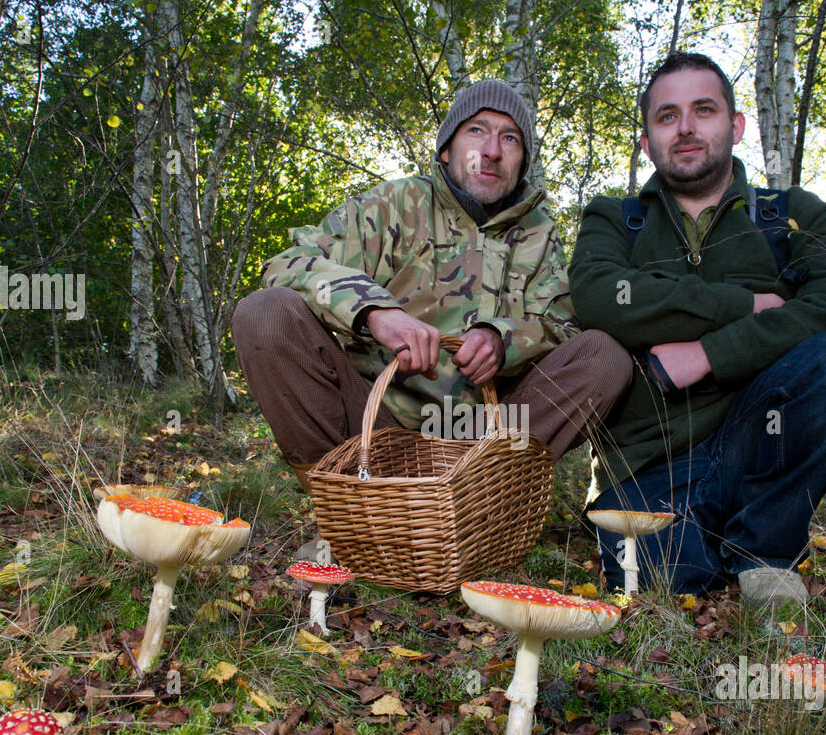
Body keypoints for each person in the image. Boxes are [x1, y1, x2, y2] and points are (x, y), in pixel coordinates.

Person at [569, 52, 826, 603]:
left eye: (703, 110)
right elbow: (599, 299)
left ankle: (766, 551)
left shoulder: (793, 215)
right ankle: (709, 543)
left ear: (734, 126)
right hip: (649, 457)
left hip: (756, 441)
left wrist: (708, 353)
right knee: (668, 586)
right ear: (647, 141)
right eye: (667, 116)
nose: (686, 127)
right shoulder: (614, 219)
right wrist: (750, 303)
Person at [232, 80, 630, 494]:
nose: (491, 150)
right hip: (371, 429)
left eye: (509, 138)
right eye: (477, 130)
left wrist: (502, 340)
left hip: (486, 444)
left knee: (605, 358)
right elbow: (287, 264)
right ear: (446, 149)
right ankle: (342, 503)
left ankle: (476, 508)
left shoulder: (538, 234)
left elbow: (562, 326)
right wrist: (374, 312)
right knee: (265, 313)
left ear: (522, 161)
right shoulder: (395, 204)